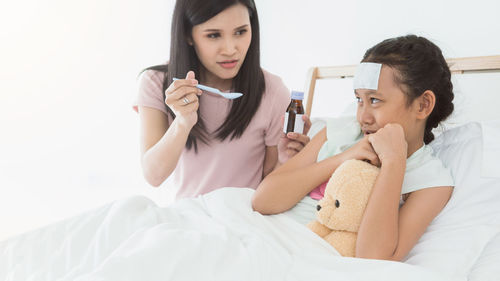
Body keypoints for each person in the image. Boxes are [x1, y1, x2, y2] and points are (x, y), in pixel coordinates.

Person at [252, 35, 455, 261]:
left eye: (375, 100)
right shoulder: (341, 132)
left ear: (423, 105)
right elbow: (262, 200)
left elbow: (373, 259)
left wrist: (394, 163)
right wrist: (345, 157)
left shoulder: (431, 182)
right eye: (359, 99)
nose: (363, 117)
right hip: (267, 241)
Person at [133, 0, 311, 199]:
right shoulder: (157, 83)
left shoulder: (273, 91)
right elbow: (154, 176)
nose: (230, 49)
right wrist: (183, 122)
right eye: (213, 35)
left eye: (240, 32)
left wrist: (287, 160)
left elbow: (268, 182)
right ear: (187, 34)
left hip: (244, 218)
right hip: (187, 218)